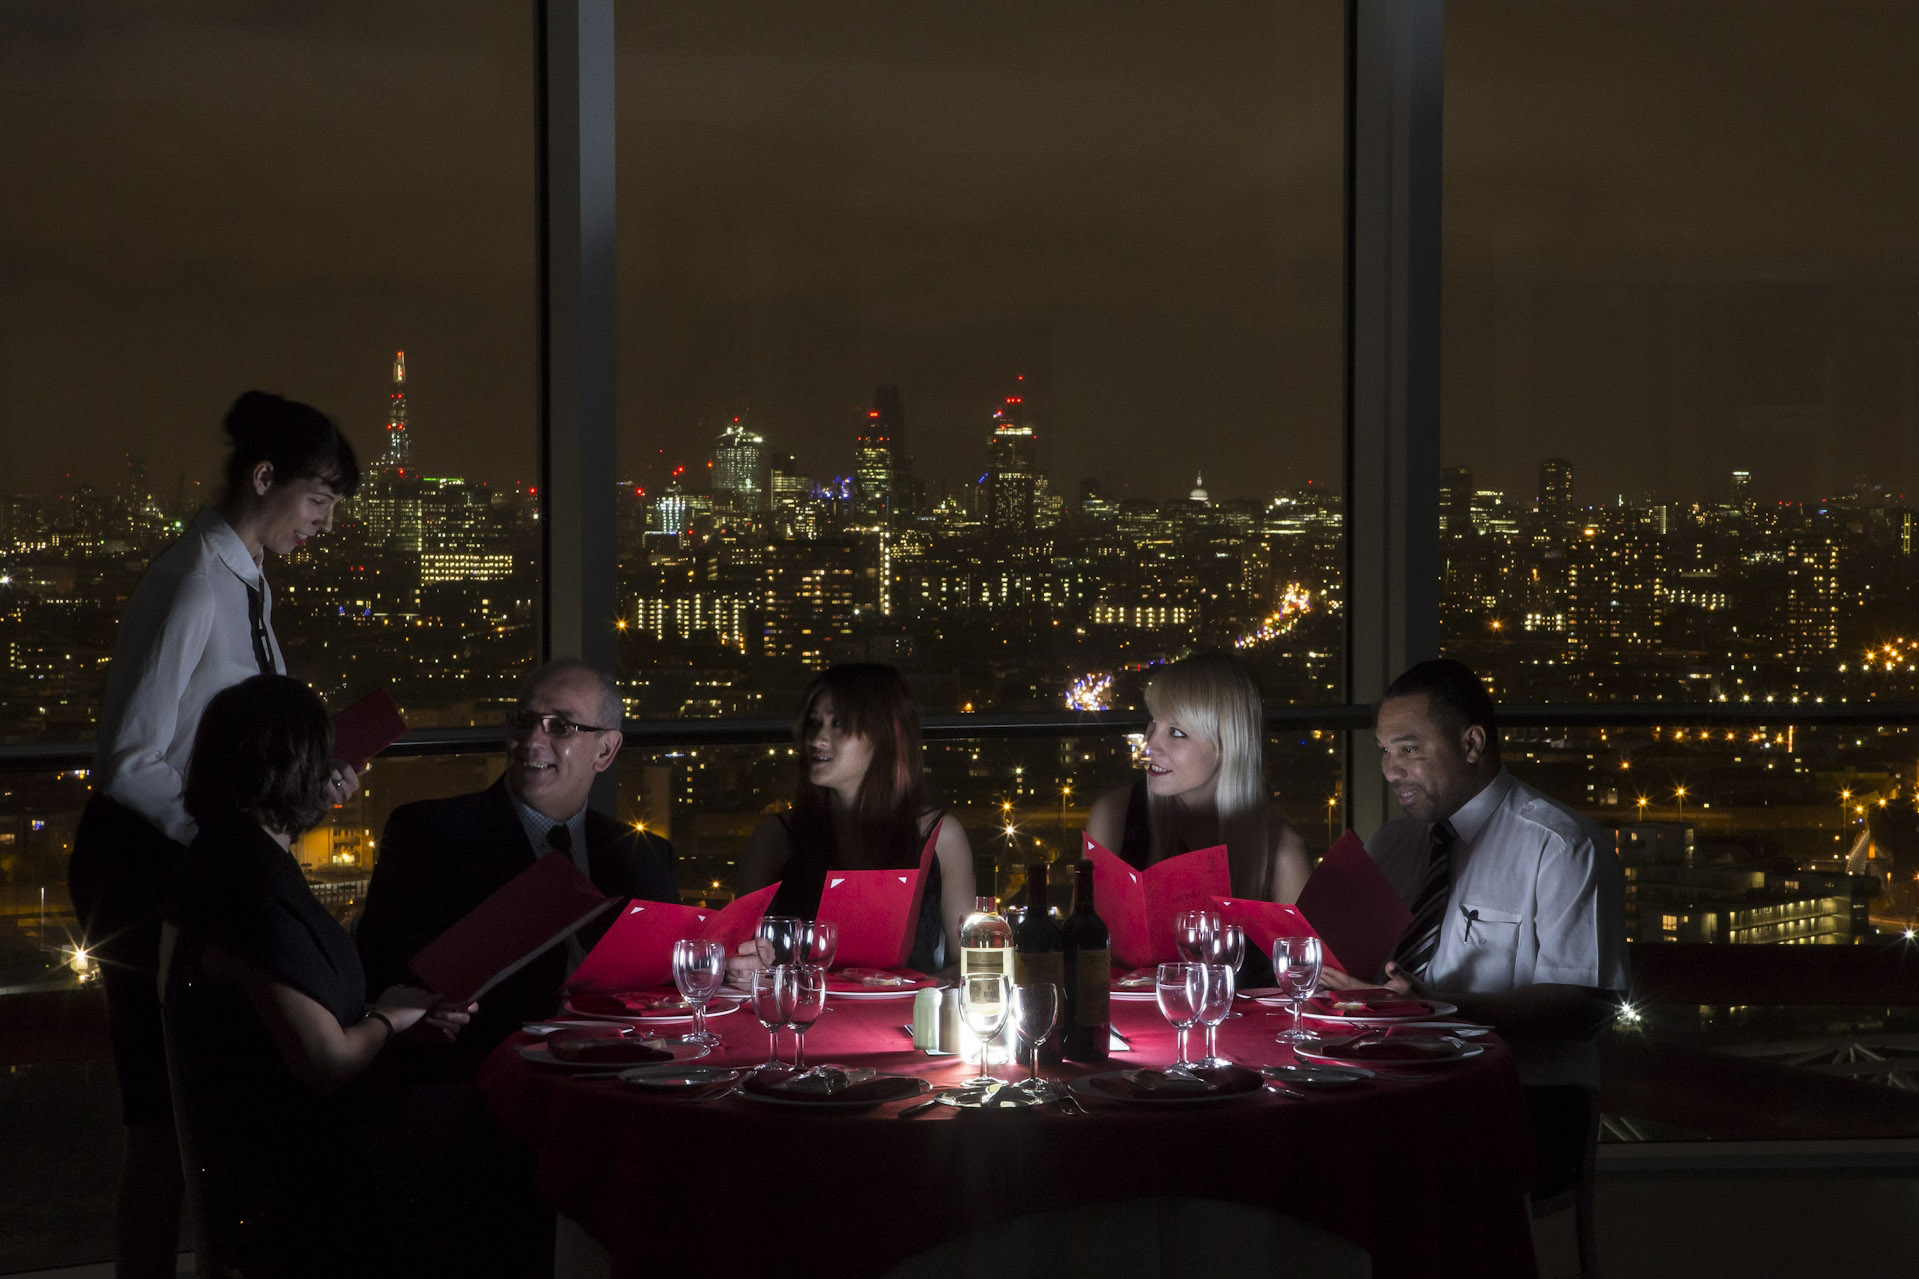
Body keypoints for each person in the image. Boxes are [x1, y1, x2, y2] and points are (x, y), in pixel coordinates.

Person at [69, 391, 360, 1279]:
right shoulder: (198, 577)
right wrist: (242, 835)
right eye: (318, 500)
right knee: (164, 1117)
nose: (323, 524)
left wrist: (299, 793)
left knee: (195, 1113)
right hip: (147, 869)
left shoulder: (241, 576)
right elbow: (129, 759)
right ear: (263, 477)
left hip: (190, 862)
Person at [163, 675, 478, 1277]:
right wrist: (390, 1017)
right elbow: (326, 1060)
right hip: (302, 1183)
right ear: (292, 765)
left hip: (289, 1164)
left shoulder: (238, 861)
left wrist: (394, 1015)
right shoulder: (251, 893)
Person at [1336, 657, 1628, 1199]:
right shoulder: (1391, 846)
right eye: (1384, 750)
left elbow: (1584, 1007)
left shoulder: (1563, 847)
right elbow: (1347, 966)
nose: (1390, 769)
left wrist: (1438, 1008)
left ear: (1471, 745)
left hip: (1525, 1098)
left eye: (1408, 748)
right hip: (1397, 1085)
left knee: (1353, 1166)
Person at [355, 659, 680, 1079]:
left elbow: (667, 983)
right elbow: (383, 969)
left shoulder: (646, 855)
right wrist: (427, 1012)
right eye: (524, 720)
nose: (530, 741)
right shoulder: (430, 833)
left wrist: (722, 966)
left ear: (605, 750)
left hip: (625, 1075)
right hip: (486, 1079)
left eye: (560, 727)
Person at [734, 663, 977, 974]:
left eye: (839, 724)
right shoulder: (775, 836)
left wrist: (909, 991)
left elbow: (972, 967)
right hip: (801, 1019)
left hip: (908, 1020)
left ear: (884, 735)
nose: (817, 739)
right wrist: (745, 969)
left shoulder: (941, 837)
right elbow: (738, 951)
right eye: (814, 723)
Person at [1085, 652, 1311, 904]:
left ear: (1228, 744)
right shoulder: (1115, 815)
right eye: (1153, 722)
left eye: (1177, 732)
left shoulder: (1282, 853)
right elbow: (1082, 937)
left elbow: (1303, 944)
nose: (1150, 744)